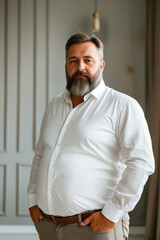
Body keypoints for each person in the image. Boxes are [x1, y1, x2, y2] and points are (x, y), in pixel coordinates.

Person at [28, 33, 155, 240]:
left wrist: (111, 215)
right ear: (66, 66)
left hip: (93, 229)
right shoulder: (54, 105)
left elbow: (141, 163)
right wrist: (33, 199)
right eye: (73, 61)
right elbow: (40, 156)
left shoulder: (123, 106)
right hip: (47, 227)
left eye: (88, 60)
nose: (80, 67)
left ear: (102, 65)